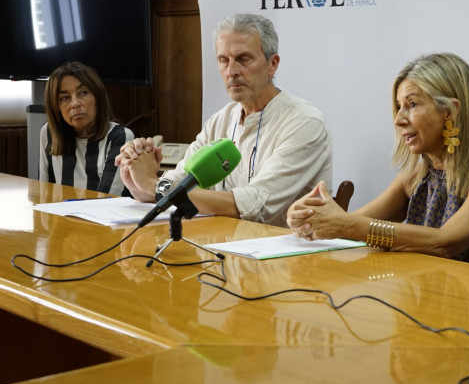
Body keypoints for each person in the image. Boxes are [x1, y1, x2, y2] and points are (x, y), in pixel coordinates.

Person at [287, 52, 469, 268]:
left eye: (412, 105)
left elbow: (445, 242)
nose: (398, 120)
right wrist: (308, 218)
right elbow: (350, 224)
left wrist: (342, 224)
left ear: (449, 112)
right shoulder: (415, 177)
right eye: (399, 107)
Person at [116, 13, 333, 228]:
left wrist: (151, 183)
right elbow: (174, 187)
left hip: (289, 256)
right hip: (224, 248)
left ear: (272, 64)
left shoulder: (305, 123)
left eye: (243, 59)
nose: (231, 71)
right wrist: (134, 175)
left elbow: (251, 206)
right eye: (223, 60)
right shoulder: (221, 120)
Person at [39, 61, 133, 196]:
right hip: (60, 215)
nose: (75, 104)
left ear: (97, 97)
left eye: (83, 93)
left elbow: (108, 200)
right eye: (65, 98)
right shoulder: (48, 132)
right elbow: (43, 192)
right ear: (56, 107)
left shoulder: (120, 136)